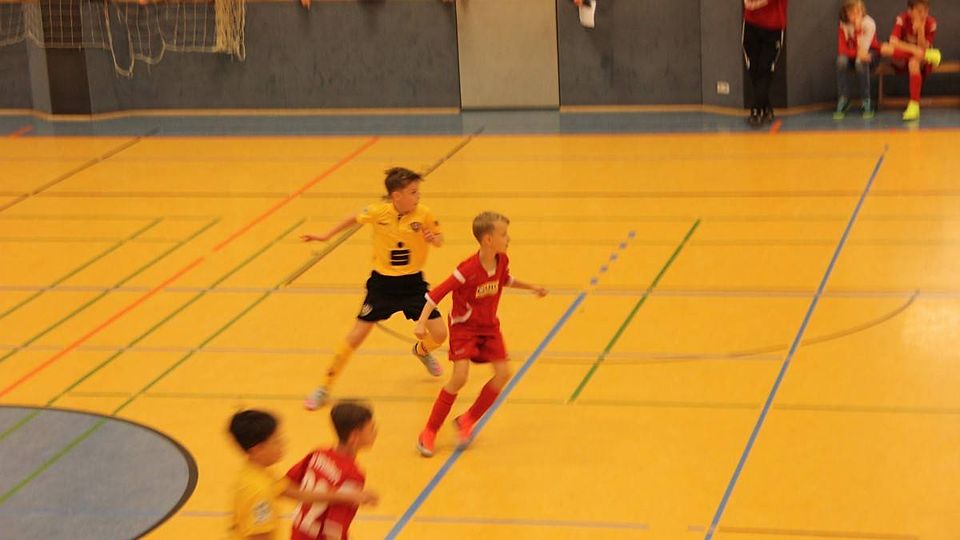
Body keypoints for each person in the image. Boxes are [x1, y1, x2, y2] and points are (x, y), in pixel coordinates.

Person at [301, 167, 447, 410]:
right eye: (413, 192)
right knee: (355, 337)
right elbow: (353, 217)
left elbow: (440, 239)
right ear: (396, 196)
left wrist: (434, 239)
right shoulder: (378, 212)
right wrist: (326, 235)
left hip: (413, 285)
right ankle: (324, 388)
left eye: (418, 192)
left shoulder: (424, 214)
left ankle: (422, 351)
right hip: (382, 286)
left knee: (440, 335)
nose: (418, 196)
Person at [413, 212, 547, 457]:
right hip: (464, 328)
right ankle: (429, 431)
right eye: (503, 234)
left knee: (503, 373)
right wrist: (421, 323)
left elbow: (505, 279)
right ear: (488, 240)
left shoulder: (502, 260)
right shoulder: (467, 270)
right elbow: (435, 295)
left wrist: (532, 287)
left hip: (489, 327)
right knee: (460, 377)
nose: (508, 239)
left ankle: (467, 420)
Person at [228, 409, 376, 540]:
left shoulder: (259, 473)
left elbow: (300, 494)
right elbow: (260, 537)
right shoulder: (260, 494)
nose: (283, 444)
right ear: (257, 449)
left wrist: (349, 496)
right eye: (277, 441)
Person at [286, 401, 379, 540]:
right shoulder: (353, 474)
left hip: (298, 534)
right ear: (354, 436)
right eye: (371, 429)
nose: (376, 432)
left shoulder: (318, 453)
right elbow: (333, 529)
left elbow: (287, 484)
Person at [882, 0, 941, 121]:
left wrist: (920, 30)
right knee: (885, 49)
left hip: (919, 61)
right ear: (910, 11)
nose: (923, 14)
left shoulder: (931, 23)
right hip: (905, 58)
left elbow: (922, 48)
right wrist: (914, 49)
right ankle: (929, 55)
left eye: (926, 11)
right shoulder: (902, 19)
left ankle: (914, 105)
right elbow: (893, 41)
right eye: (919, 11)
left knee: (913, 63)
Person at [743, 0, 788, 127]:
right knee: (753, 68)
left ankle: (757, 110)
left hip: (773, 27)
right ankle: (765, 106)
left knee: (765, 68)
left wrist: (758, 4)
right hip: (751, 24)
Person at [834, 0, 882, 119]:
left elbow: (864, 51)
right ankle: (844, 99)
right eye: (851, 12)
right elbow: (842, 50)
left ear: (862, 11)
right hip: (855, 55)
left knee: (860, 62)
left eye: (858, 11)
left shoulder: (869, 23)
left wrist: (858, 29)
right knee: (841, 61)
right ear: (845, 13)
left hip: (872, 55)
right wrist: (855, 53)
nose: (855, 15)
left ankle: (866, 101)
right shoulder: (843, 24)